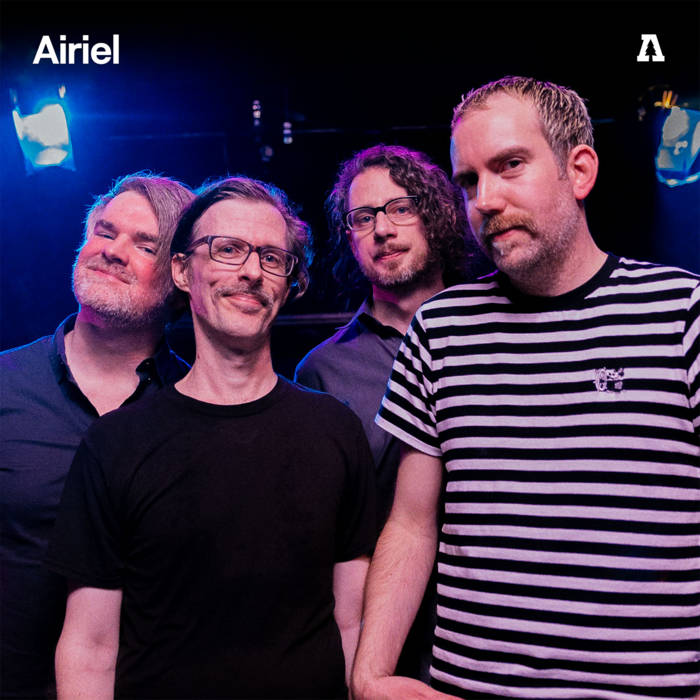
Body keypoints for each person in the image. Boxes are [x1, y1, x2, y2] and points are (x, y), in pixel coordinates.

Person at [352, 76, 700, 700]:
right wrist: (370, 675)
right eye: (468, 181)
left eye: (510, 165)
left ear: (580, 171)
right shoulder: (440, 328)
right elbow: (410, 523)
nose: (485, 199)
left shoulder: (681, 312)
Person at [45, 176, 377, 699]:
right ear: (182, 271)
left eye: (272, 258)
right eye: (227, 249)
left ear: (289, 283)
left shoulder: (336, 430)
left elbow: (354, 625)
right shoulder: (116, 443)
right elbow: (90, 647)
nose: (252, 271)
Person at [0, 172, 194, 699]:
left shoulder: (197, 408)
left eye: (145, 245)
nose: (112, 251)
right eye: (105, 232)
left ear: (181, 278)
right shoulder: (7, 385)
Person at [295, 144, 473, 680]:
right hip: (386, 641)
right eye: (363, 217)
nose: (383, 229)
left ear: (436, 215)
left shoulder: (496, 337)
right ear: (348, 237)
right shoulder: (323, 371)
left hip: (500, 624)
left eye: (401, 208)